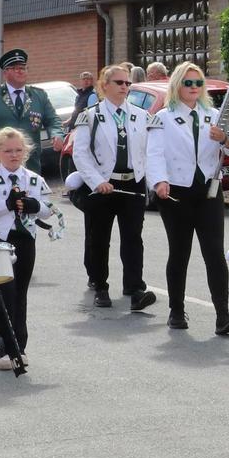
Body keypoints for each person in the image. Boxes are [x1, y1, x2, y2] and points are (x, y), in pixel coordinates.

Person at [146, 62, 229, 335]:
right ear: (177, 85)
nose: (194, 88)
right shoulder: (163, 117)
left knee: (214, 253)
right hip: (176, 191)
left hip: (208, 191)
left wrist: (225, 138)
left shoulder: (214, 115)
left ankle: (223, 314)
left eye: (198, 83)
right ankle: (176, 310)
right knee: (180, 251)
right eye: (188, 83)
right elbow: (154, 153)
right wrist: (159, 181)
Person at [70, 62, 155, 310]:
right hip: (103, 184)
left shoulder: (141, 115)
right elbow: (81, 153)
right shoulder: (90, 116)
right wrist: (97, 182)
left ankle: (135, 287)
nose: (125, 87)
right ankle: (100, 285)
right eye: (119, 82)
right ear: (104, 86)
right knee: (99, 238)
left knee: (133, 238)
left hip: (133, 183)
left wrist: (149, 180)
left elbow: (149, 151)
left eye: (128, 83)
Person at [0, 128, 56, 370]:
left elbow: (49, 207)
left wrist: (34, 205)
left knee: (20, 293)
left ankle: (19, 347)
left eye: (18, 150)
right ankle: (2, 347)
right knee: (2, 293)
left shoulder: (33, 178)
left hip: (25, 239)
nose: (14, 155)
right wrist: (6, 204)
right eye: (8, 151)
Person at [0, 48, 59, 173]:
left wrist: (56, 134)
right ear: (5, 73)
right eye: (15, 68)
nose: (20, 72)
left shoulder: (39, 95)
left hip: (30, 163)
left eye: (23, 68)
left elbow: (53, 120)